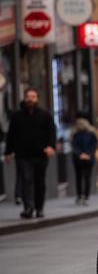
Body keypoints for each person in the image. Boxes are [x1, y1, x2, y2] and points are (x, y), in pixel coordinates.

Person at [4, 88, 56, 219]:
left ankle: (39, 208)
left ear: (37, 99)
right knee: (26, 180)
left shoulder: (45, 115)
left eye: (33, 97)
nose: (30, 99)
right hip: (23, 155)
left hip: (41, 154)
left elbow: (51, 133)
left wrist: (51, 146)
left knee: (39, 182)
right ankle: (28, 207)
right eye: (28, 97)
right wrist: (8, 152)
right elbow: (11, 135)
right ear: (25, 98)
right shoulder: (17, 116)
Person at [71, 118, 98, 205]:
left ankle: (80, 195)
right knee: (87, 177)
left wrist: (80, 154)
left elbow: (74, 146)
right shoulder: (92, 134)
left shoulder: (75, 134)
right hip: (87, 158)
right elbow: (94, 146)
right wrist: (88, 154)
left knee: (79, 177)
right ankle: (85, 196)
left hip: (79, 159)